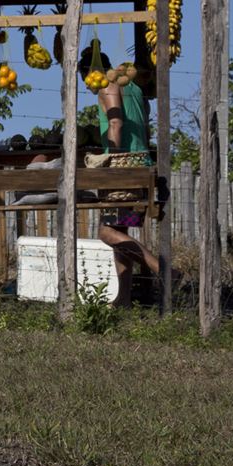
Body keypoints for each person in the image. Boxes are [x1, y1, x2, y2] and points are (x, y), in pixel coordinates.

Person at [79, 47, 162, 307]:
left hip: (123, 167)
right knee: (119, 230)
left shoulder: (108, 84)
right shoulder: (134, 87)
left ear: (88, 72)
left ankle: (165, 272)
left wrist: (111, 159)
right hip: (141, 163)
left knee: (106, 232)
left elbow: (115, 122)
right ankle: (123, 298)